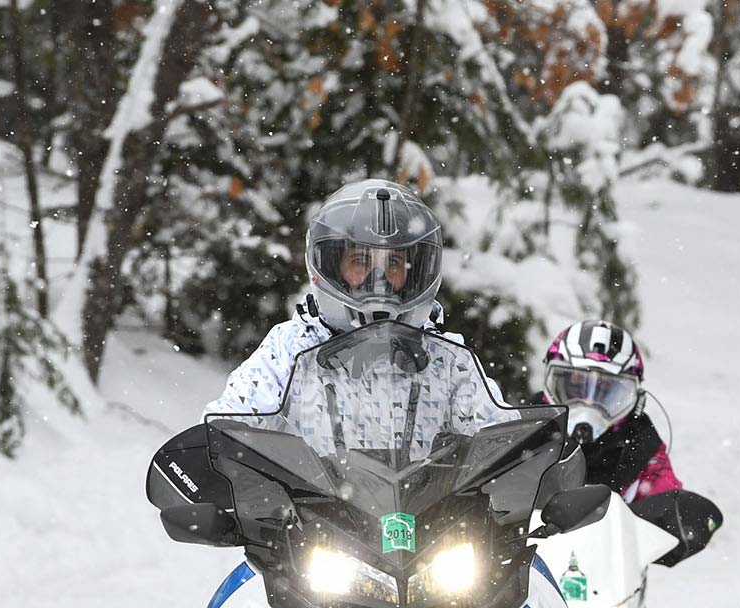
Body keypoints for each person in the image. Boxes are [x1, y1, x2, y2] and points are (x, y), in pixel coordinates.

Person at [203, 178, 516, 458]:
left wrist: (520, 466)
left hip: (428, 522)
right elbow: (228, 427)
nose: (377, 281)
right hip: (305, 520)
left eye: (394, 263)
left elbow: (500, 441)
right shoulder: (290, 348)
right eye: (360, 261)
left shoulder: (445, 358)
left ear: (416, 273)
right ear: (331, 266)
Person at [540, 319, 682, 502]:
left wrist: (674, 512)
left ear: (634, 398)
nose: (588, 407)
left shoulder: (641, 448)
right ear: (551, 384)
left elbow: (666, 502)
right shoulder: (526, 426)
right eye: (575, 385)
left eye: (605, 390)